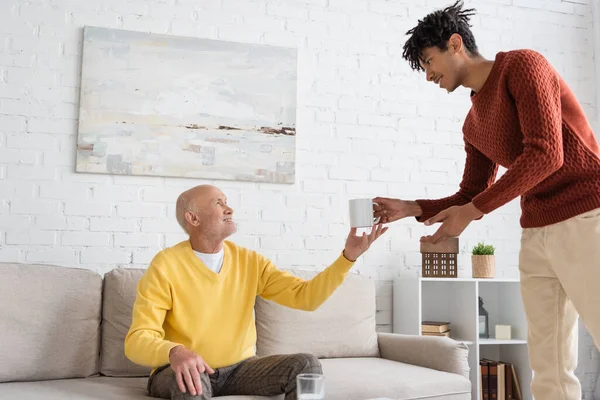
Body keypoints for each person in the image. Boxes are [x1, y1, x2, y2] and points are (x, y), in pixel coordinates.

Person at [373, 1, 600, 399]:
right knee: (547, 364)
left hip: (586, 215)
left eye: (429, 61)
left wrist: (473, 211)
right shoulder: (473, 121)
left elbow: (547, 153)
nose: (428, 75)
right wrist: (411, 208)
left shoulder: (522, 66)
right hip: (537, 231)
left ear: (455, 43)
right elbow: (469, 194)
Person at [124, 184, 387, 400]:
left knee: (305, 365)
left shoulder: (250, 261)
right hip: (183, 369)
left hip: (240, 369)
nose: (229, 208)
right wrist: (175, 352)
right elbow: (137, 340)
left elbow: (306, 297)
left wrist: (348, 257)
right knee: (190, 383)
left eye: (226, 201)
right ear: (193, 218)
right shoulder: (166, 264)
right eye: (219, 203)